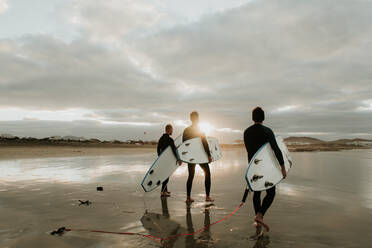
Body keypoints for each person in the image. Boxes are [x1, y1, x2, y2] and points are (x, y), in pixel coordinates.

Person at [243, 107, 286, 233]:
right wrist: (282, 167)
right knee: (271, 193)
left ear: (252, 118)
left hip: (253, 167)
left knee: (257, 193)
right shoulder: (267, 131)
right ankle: (260, 215)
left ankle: (257, 221)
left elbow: (250, 151)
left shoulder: (246, 132)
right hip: (266, 168)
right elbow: (276, 150)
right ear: (263, 118)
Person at [183, 111, 213, 204]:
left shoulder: (186, 130)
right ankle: (207, 197)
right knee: (207, 174)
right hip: (200, 156)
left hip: (191, 157)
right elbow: (204, 143)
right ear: (198, 119)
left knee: (191, 176)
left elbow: (184, 145)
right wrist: (208, 155)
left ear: (191, 119)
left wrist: (185, 157)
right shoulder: (200, 130)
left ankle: (188, 198)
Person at [157, 124, 182, 197]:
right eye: (172, 130)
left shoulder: (161, 138)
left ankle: (165, 190)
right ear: (169, 130)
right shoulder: (170, 139)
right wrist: (178, 159)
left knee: (165, 174)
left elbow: (158, 148)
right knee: (166, 176)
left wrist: (160, 157)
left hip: (162, 160)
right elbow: (174, 150)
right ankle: (162, 191)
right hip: (168, 160)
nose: (172, 131)